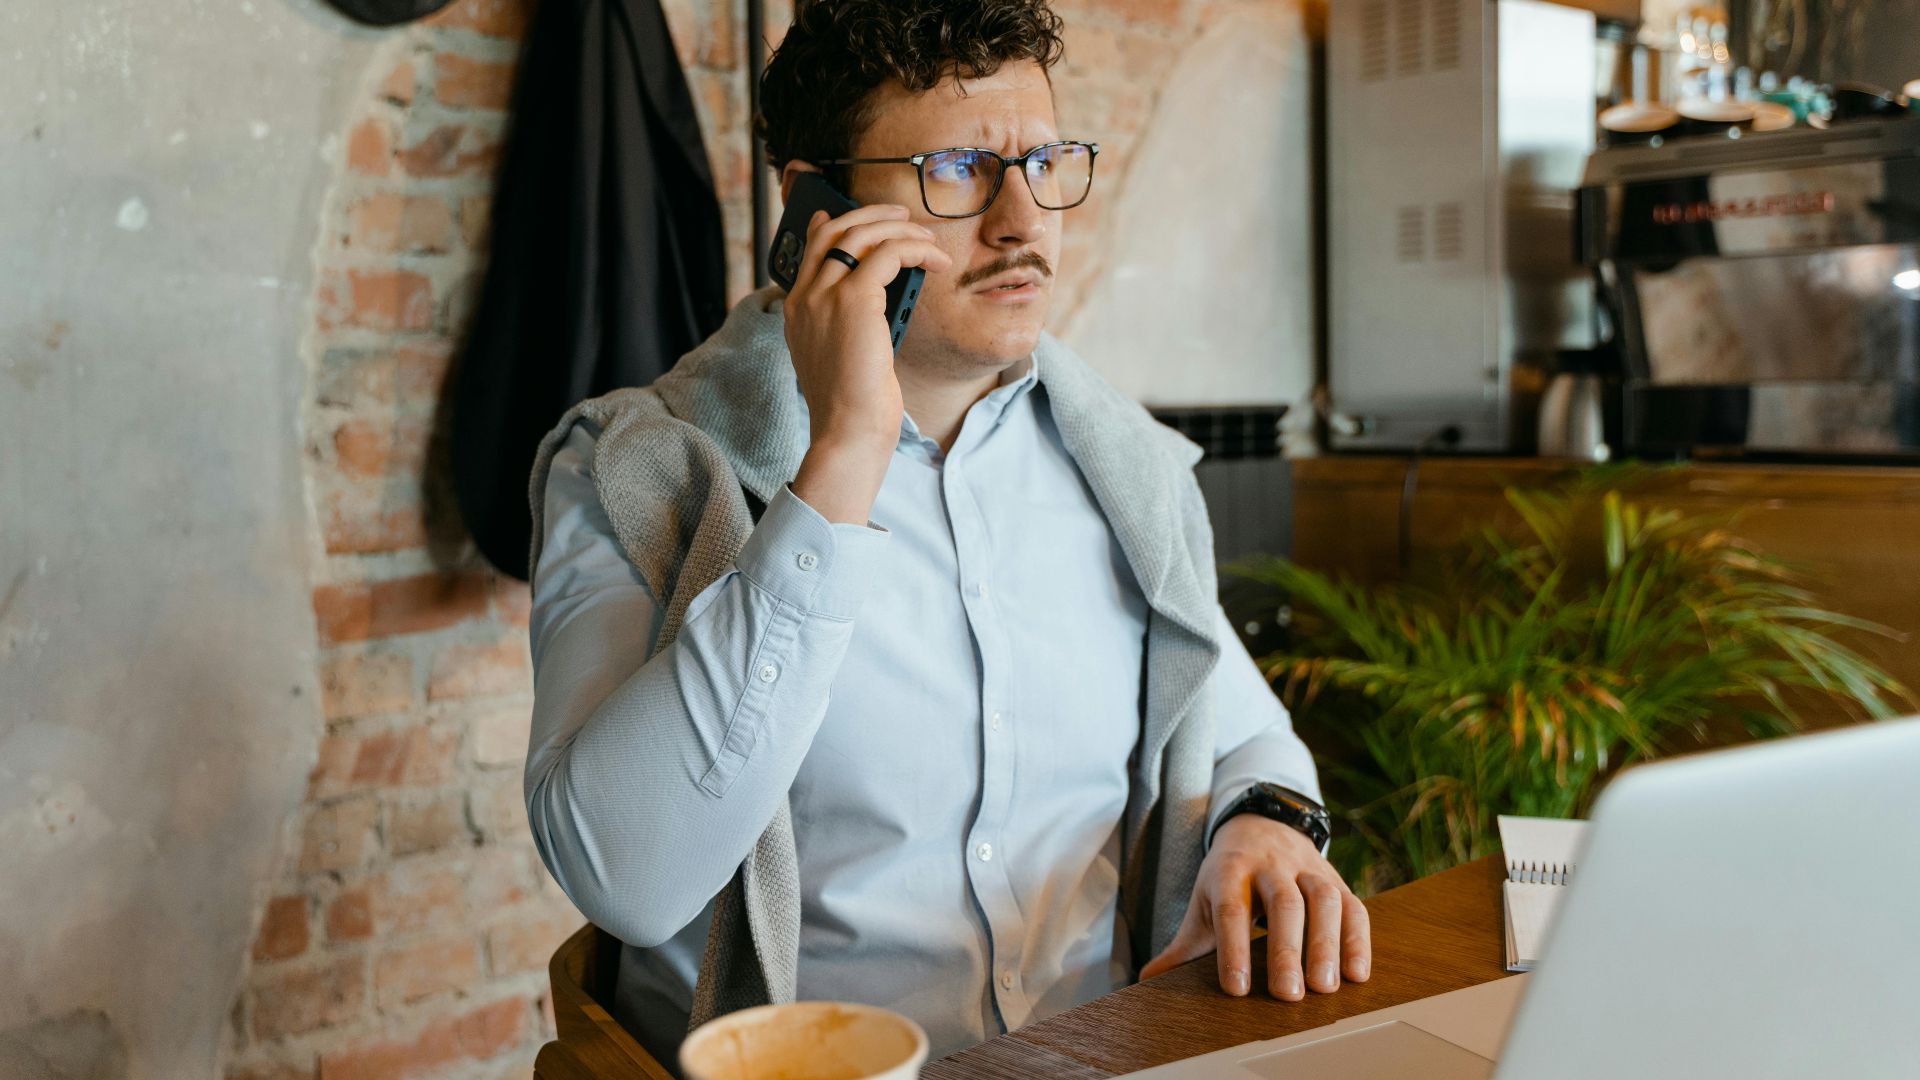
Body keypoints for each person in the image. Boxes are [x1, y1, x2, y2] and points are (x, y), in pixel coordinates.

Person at [523, 0, 1371, 1064]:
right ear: (813, 206)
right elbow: (626, 879)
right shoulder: (633, 471)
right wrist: (841, 463)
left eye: (1048, 162)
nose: (1025, 222)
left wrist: (1265, 823)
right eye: (959, 170)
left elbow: (1240, 726)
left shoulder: (1126, 464)